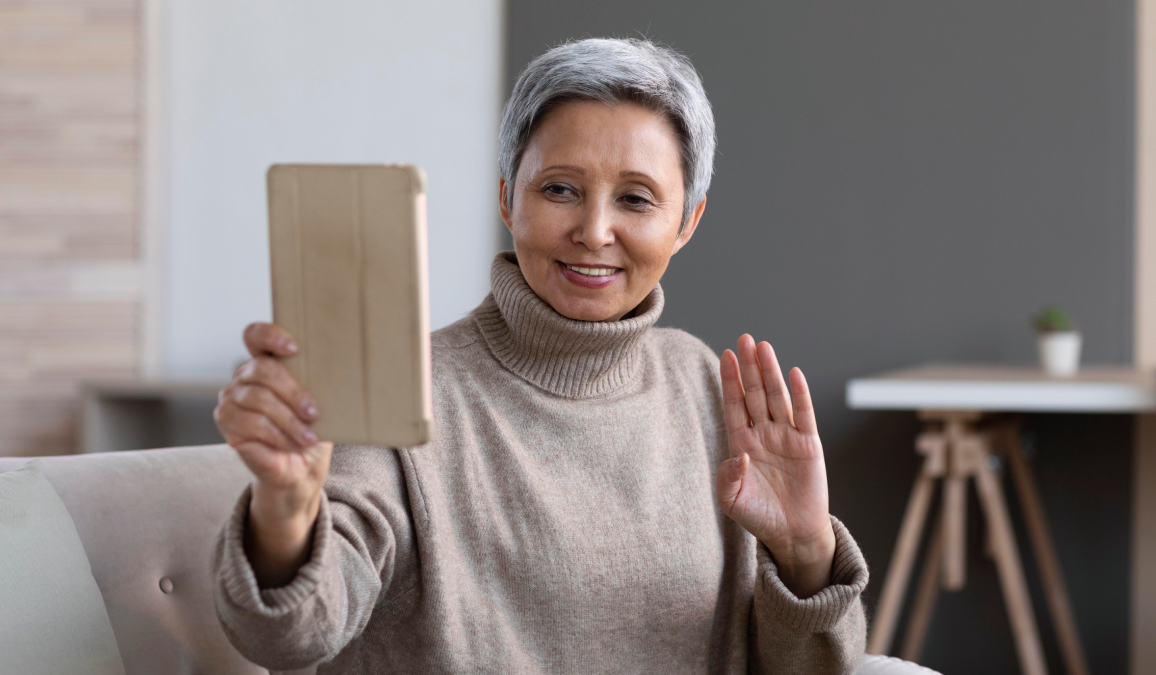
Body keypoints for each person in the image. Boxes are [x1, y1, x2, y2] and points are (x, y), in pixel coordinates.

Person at [211, 37, 868, 674]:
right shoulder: (406, 386)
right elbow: (293, 636)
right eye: (560, 189)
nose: (594, 231)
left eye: (635, 199)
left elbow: (816, 669)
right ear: (507, 197)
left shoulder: (705, 384)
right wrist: (287, 508)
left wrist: (804, 552)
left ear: (686, 222)